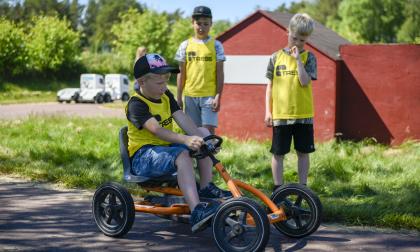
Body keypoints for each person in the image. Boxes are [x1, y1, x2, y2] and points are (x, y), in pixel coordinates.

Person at [126, 53, 231, 233]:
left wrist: (203, 139)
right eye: (159, 83)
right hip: (143, 157)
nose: (164, 86)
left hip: (166, 151)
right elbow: (157, 130)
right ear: (142, 82)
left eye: (166, 81)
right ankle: (197, 210)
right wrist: (185, 139)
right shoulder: (136, 104)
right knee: (182, 154)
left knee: (204, 133)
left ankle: (205, 187)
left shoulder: (166, 95)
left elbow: (181, 117)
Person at [264, 13, 317, 192]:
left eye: (302, 40)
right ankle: (278, 190)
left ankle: (303, 190)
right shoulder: (274, 57)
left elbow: (304, 81)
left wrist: (297, 61)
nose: (297, 43)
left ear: (307, 38)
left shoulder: (309, 57)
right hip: (281, 115)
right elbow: (269, 87)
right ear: (288, 32)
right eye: (294, 38)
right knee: (278, 153)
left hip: (303, 114)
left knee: (303, 153)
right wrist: (268, 111)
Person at [175, 6, 225, 135]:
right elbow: (181, 73)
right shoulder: (185, 45)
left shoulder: (216, 45)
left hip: (209, 95)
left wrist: (218, 95)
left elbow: (220, 72)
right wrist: (179, 96)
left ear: (211, 24)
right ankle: (195, 156)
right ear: (192, 23)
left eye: (205, 24)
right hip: (190, 95)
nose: (201, 27)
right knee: (192, 132)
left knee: (208, 131)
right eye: (198, 23)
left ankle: (210, 154)